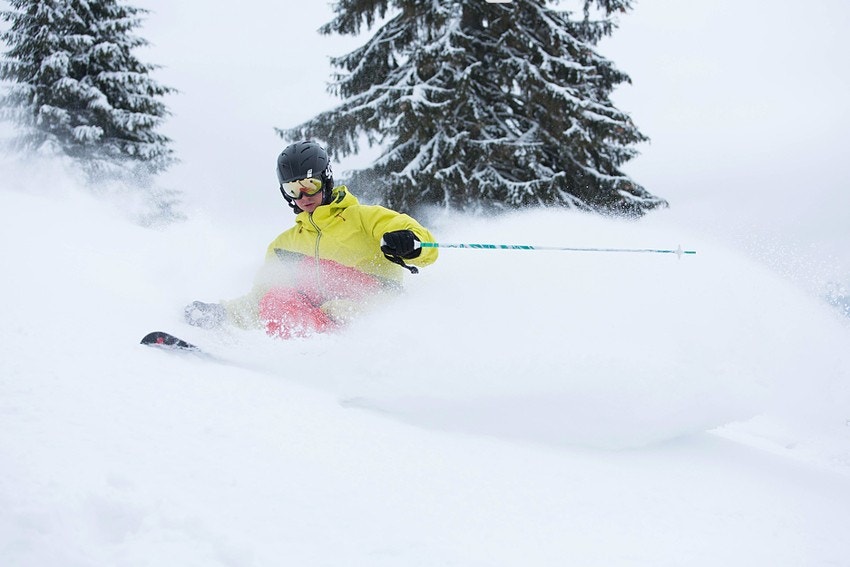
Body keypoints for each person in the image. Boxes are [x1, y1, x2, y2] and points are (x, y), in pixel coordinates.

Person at [184, 141, 438, 339]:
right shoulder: (284, 246)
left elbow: (425, 246)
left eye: (310, 184)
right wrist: (223, 314)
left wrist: (410, 242)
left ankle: (349, 356)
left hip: (375, 313)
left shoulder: (364, 218)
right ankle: (308, 361)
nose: (303, 195)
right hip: (324, 328)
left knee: (340, 308)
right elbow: (260, 300)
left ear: (325, 180)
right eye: (293, 190)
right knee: (276, 299)